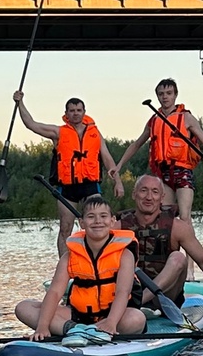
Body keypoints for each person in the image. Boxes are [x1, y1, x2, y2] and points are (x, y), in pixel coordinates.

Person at [14, 193, 147, 342]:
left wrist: (111, 322)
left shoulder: (125, 254)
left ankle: (99, 330)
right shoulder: (70, 257)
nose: (98, 221)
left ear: (112, 221)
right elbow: (55, 292)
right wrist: (42, 326)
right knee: (23, 308)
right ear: (82, 223)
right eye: (91, 217)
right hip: (79, 317)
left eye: (103, 216)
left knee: (137, 319)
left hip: (116, 316)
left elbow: (124, 291)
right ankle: (76, 331)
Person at [13, 92, 124, 244]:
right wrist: (20, 103)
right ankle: (63, 265)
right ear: (66, 114)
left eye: (79, 110)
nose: (76, 113)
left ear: (84, 112)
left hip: (90, 186)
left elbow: (108, 160)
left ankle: (94, 260)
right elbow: (31, 124)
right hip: (67, 188)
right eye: (72, 110)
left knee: (96, 226)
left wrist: (117, 182)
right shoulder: (58, 132)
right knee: (66, 228)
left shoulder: (95, 134)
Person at [110, 78, 203, 226]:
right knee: (165, 217)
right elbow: (136, 144)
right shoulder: (154, 120)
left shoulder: (186, 117)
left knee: (184, 215)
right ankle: (170, 249)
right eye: (161, 94)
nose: (165, 97)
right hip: (163, 173)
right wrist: (119, 165)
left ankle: (189, 249)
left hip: (183, 171)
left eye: (169, 93)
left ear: (175, 95)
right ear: (157, 97)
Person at [118, 173, 203, 312]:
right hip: (130, 293)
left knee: (178, 257)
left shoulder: (177, 227)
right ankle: (134, 304)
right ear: (134, 194)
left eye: (155, 192)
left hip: (166, 297)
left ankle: (142, 301)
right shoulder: (118, 227)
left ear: (162, 198)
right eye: (143, 190)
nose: (149, 197)